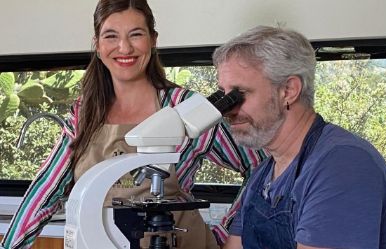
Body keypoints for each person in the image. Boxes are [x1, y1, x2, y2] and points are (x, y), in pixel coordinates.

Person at [0, 1, 268, 248]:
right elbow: (46, 190)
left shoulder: (184, 107)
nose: (125, 48)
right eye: (111, 36)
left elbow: (262, 166)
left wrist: (230, 230)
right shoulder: (84, 112)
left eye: (136, 34)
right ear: (97, 44)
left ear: (153, 40)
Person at [213, 25, 386, 249]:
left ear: (288, 91)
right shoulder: (264, 175)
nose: (227, 110)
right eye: (223, 95)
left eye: (238, 94)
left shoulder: (342, 164)